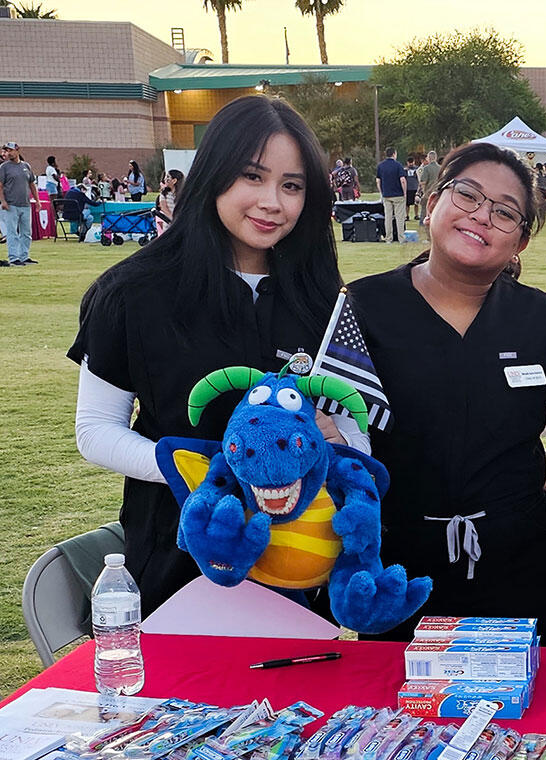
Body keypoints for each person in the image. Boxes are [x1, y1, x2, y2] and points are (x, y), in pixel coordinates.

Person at [68, 95, 350, 617]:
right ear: (213, 174)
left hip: (297, 559)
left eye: (292, 186)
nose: (272, 202)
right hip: (177, 555)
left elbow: (349, 426)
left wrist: (339, 443)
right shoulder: (133, 292)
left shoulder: (320, 296)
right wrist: (203, 471)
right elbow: (95, 430)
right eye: (252, 177)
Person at [349, 141, 546, 642]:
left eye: (505, 212)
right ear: (431, 204)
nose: (482, 216)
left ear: (521, 243)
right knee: (404, 716)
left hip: (521, 563)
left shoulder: (540, 318)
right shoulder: (365, 307)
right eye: (467, 195)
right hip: (402, 570)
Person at [0, 140, 41, 266]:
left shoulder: (26, 166)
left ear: (17, 150)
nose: (8, 153)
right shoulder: (4, 167)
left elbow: (31, 184)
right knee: (12, 232)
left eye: (10, 150)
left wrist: (37, 200)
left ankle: (24, 256)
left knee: (26, 232)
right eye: (7, 151)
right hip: (11, 204)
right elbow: (0, 185)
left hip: (25, 204)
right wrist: (3, 201)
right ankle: (13, 257)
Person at [376, 146, 406, 243]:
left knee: (388, 217)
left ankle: (388, 238)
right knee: (399, 217)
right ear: (394, 154)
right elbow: (402, 180)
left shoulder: (381, 166)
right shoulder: (398, 165)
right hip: (398, 195)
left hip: (386, 195)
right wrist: (404, 192)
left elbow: (378, 181)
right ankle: (401, 238)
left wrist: (381, 192)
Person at [156, 169, 183, 234]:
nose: (165, 179)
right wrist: (172, 219)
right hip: (168, 223)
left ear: (174, 181)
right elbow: (164, 207)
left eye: (168, 177)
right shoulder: (164, 193)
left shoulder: (182, 194)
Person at [404, 157, 420, 222]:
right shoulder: (404, 170)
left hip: (415, 188)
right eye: (409, 162)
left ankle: (416, 215)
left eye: (412, 162)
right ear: (407, 163)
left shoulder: (417, 169)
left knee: (416, 203)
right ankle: (407, 216)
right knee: (407, 204)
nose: (411, 164)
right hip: (408, 188)